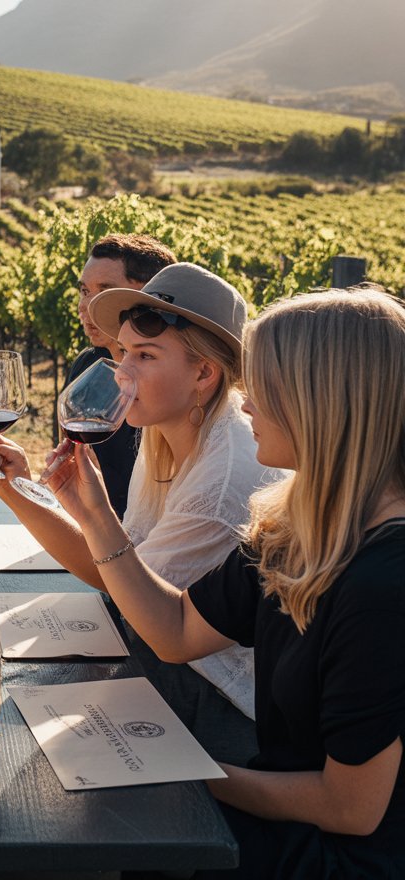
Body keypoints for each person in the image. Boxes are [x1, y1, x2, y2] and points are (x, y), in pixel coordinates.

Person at [57, 287, 405, 878]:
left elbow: (350, 809)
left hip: (330, 855)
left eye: (264, 386)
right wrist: (93, 516)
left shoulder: (385, 583)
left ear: (325, 402)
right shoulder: (293, 526)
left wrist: (189, 775)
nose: (243, 405)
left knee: (93, 835)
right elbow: (176, 631)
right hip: (273, 812)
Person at [0, 262, 273, 761]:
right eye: (122, 353)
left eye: (144, 356)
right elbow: (117, 569)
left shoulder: (222, 478)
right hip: (169, 664)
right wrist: (18, 490)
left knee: (14, 716)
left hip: (220, 708)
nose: (122, 372)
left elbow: (151, 620)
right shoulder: (166, 431)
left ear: (204, 372)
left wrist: (92, 517)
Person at [69, 233, 176, 517]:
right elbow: (70, 464)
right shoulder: (86, 368)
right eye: (84, 291)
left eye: (104, 291)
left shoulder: (170, 391)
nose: (85, 306)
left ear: (144, 296)